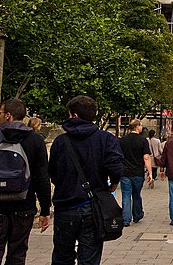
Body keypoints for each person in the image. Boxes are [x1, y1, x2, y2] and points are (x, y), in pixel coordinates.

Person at [48, 95, 124, 265]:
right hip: (94, 207)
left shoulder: (61, 141)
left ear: (74, 115)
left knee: (62, 257)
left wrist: (64, 185)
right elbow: (116, 167)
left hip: (66, 205)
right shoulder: (106, 139)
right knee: (89, 258)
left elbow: (52, 172)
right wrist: (113, 184)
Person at [0, 99, 52, 265]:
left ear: (8, 116)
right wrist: (45, 210)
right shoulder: (35, 140)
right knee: (18, 252)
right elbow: (42, 177)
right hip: (24, 204)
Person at [118, 119, 153, 227]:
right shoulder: (143, 141)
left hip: (125, 172)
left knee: (126, 195)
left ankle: (126, 219)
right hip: (138, 173)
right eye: (141, 125)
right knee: (136, 194)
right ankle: (137, 215)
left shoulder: (122, 140)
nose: (142, 127)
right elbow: (146, 158)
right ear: (137, 127)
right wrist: (150, 173)